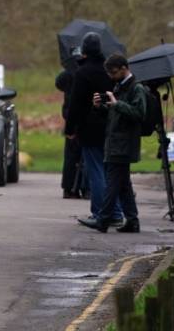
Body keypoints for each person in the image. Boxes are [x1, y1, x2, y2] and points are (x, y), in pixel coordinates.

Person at [78, 54, 146, 233]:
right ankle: (132, 220)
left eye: (113, 72)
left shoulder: (136, 88)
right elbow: (114, 116)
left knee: (112, 183)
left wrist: (116, 104)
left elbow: (139, 113)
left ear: (124, 68)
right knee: (123, 184)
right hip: (115, 142)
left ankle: (103, 219)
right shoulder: (119, 87)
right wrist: (100, 107)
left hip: (124, 144)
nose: (111, 76)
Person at [65, 33, 121, 225]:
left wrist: (70, 128)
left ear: (84, 51)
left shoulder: (82, 73)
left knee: (95, 171)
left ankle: (101, 213)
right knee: (109, 172)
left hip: (89, 128)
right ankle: (116, 211)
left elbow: (75, 104)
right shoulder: (108, 71)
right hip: (111, 126)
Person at [57, 53, 87, 199]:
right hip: (85, 117)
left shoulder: (71, 71)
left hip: (70, 115)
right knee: (85, 154)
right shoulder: (89, 69)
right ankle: (84, 187)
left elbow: (59, 83)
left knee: (71, 155)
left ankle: (69, 187)